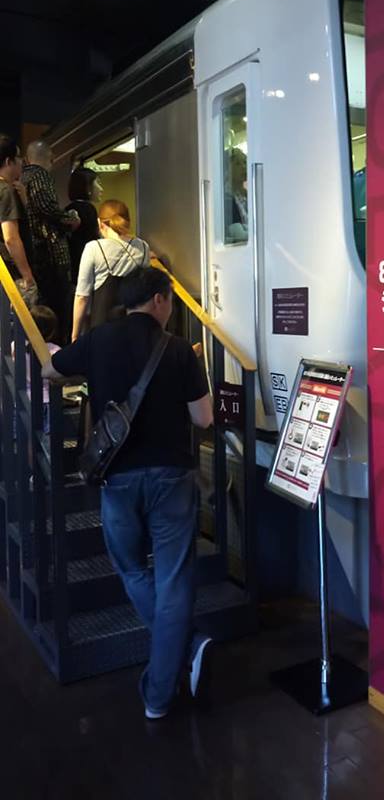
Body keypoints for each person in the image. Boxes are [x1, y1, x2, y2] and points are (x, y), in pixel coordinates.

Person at [42, 266, 214, 719]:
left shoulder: (99, 339)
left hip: (117, 478)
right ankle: (161, 691)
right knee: (174, 579)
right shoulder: (179, 349)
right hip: (172, 478)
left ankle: (183, 652)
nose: (170, 307)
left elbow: (49, 367)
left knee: (132, 569)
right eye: (170, 300)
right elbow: (203, 418)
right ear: (158, 300)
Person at [22, 140, 80, 342]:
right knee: (58, 307)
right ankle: (56, 348)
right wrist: (70, 219)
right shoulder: (40, 176)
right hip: (51, 254)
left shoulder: (23, 178)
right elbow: (46, 207)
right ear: (51, 159)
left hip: (35, 253)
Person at [72, 199, 150, 340]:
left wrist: (75, 335)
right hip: (134, 330)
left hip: (102, 331)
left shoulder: (93, 248)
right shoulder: (143, 248)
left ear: (100, 223)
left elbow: (82, 297)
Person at [0, 134, 36, 302]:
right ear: (9, 162)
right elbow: (11, 238)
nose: (22, 161)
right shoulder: (6, 191)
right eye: (18, 157)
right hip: (10, 273)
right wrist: (27, 275)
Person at [65, 166, 103, 284]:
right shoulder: (88, 209)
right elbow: (94, 239)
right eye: (98, 183)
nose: (101, 189)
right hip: (87, 265)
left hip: (74, 266)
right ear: (88, 187)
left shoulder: (69, 208)